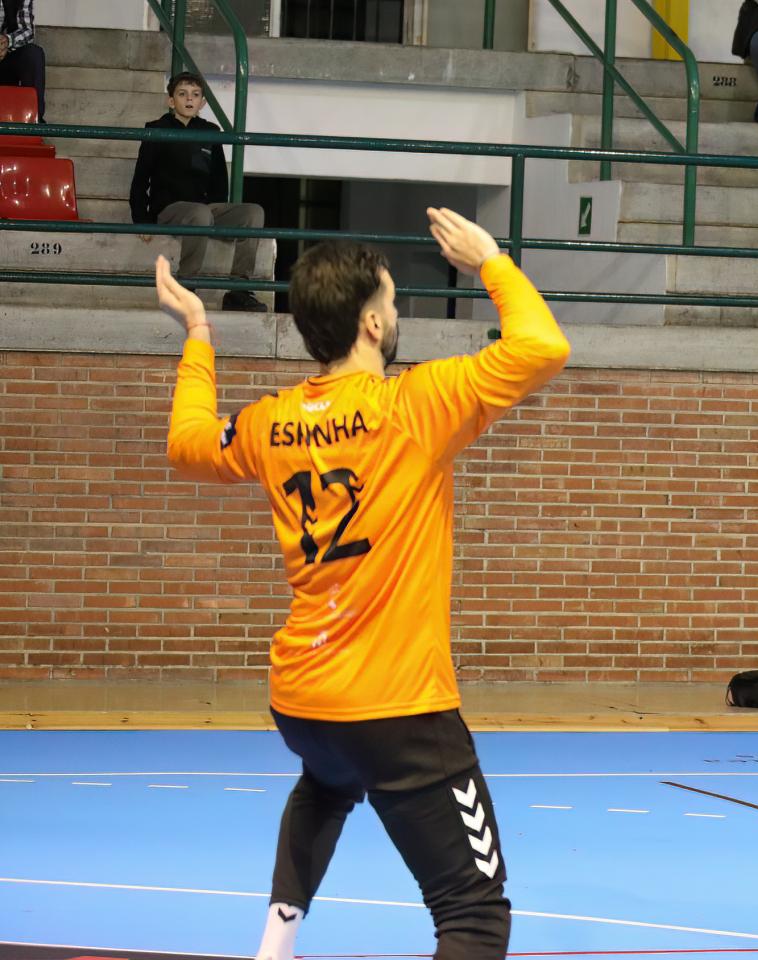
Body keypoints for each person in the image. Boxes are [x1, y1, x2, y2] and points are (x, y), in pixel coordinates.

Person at [159, 208, 570, 960]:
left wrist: (197, 334)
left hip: (305, 698)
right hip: (400, 707)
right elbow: (542, 346)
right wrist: (490, 260)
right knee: (475, 916)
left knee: (327, 779)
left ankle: (274, 948)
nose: (396, 312)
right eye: (392, 301)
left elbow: (187, 444)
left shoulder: (271, 422)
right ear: (373, 325)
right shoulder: (414, 405)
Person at [129, 72, 269, 313]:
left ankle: (239, 290)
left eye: (195, 95)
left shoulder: (210, 132)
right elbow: (140, 178)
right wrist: (142, 220)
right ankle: (185, 288)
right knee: (200, 214)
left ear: (202, 102)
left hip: (204, 209)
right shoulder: (157, 130)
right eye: (182, 94)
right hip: (169, 209)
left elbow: (219, 179)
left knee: (253, 212)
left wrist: (218, 222)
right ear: (171, 101)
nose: (189, 99)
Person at [0, 0, 43, 122]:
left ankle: (34, 120)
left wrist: (7, 41)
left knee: (33, 53)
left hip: (5, 56)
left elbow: (27, 31)